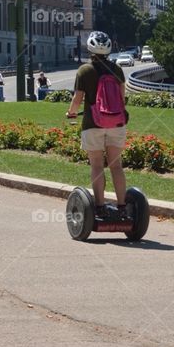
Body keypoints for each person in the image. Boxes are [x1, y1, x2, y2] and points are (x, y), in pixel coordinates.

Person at [65, 31, 129, 219]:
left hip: (93, 124)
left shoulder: (84, 70)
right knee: (116, 166)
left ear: (90, 48)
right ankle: (122, 206)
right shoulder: (117, 70)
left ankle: (100, 206)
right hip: (116, 123)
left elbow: (78, 99)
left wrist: (72, 113)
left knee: (97, 166)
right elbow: (122, 97)